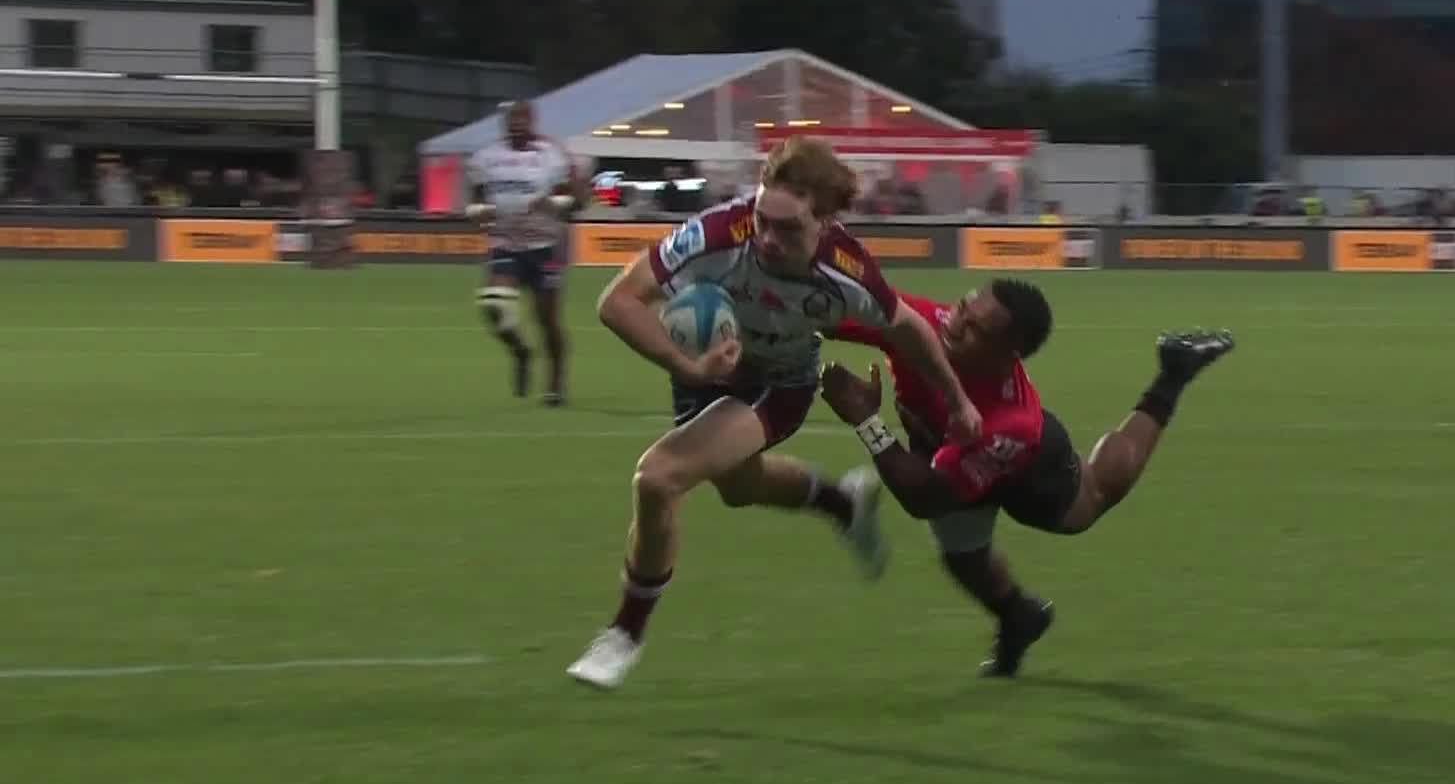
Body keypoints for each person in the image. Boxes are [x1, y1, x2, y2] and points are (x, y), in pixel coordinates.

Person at [567, 136, 984, 690]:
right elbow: (617, 301)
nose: (766, 237)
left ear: (825, 221)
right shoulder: (718, 233)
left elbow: (908, 328)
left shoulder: (847, 271)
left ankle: (624, 634)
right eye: (763, 217)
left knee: (659, 478)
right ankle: (842, 502)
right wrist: (688, 367)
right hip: (707, 373)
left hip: (780, 384)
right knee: (737, 487)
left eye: (787, 228)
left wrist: (957, 402)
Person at [818, 282, 1234, 677]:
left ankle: (1172, 376)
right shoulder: (924, 321)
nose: (953, 323)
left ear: (1008, 354)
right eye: (963, 307)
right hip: (946, 451)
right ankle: (1020, 615)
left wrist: (867, 420)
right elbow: (824, 312)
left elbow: (923, 499)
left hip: (1026, 468)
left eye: (974, 328)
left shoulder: (1011, 421)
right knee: (962, 556)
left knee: (1092, 499)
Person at [464, 100, 586, 406]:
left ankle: (556, 385)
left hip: (545, 247)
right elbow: (474, 203)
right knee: (494, 305)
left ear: (532, 120)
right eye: (512, 118)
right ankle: (520, 350)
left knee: (547, 320)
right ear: (504, 123)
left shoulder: (551, 155)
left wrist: (555, 204)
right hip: (506, 244)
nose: (517, 123)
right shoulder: (487, 158)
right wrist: (480, 212)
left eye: (523, 117)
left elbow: (579, 199)